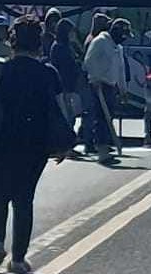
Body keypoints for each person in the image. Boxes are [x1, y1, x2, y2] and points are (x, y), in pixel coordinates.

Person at [0, 15, 65, 274]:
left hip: (0, 140)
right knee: (24, 199)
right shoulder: (47, 73)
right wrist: (63, 143)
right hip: (35, 144)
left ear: (12, 42)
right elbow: (59, 110)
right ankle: (18, 259)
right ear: (39, 43)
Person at [84, 18, 130, 166]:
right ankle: (102, 150)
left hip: (111, 86)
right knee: (101, 118)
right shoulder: (100, 42)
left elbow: (120, 69)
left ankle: (105, 145)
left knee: (109, 117)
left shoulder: (118, 48)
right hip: (99, 84)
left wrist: (123, 89)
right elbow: (89, 62)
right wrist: (95, 79)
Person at [80, 13, 112, 154]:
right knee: (91, 113)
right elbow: (89, 62)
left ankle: (94, 141)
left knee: (94, 114)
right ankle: (89, 143)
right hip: (91, 82)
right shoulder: (93, 40)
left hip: (92, 81)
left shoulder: (95, 39)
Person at [50, 18, 83, 127]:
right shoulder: (59, 47)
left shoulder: (68, 46)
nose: (73, 34)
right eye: (71, 32)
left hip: (70, 86)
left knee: (72, 115)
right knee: (67, 115)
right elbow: (66, 66)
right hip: (63, 86)